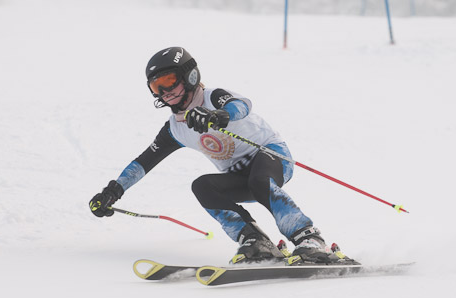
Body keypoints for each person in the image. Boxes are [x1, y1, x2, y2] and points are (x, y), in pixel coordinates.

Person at [89, 46, 338, 264]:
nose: (165, 92)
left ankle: (310, 238)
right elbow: (142, 163)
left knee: (259, 180)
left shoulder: (213, 97)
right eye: (156, 86)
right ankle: (255, 240)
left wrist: (219, 115)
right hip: (239, 175)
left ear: (189, 76)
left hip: (271, 155)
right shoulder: (175, 128)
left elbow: (242, 105)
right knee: (202, 186)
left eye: (169, 80)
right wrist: (113, 191)